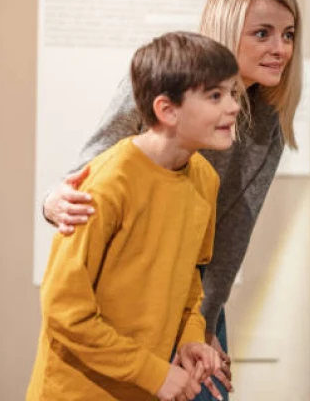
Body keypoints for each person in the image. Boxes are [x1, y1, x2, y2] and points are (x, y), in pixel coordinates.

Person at [41, 0, 302, 400]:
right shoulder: (165, 84)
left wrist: (202, 327)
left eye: (288, 35)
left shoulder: (266, 124)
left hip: (192, 302)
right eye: (263, 34)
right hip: (129, 300)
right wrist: (52, 200)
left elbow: (226, 243)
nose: (280, 49)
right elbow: (92, 170)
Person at [27, 31, 240, 400]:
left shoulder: (205, 179)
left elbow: (191, 279)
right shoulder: (106, 183)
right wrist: (153, 372)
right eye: (215, 96)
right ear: (167, 110)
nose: (234, 107)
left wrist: (190, 340)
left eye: (233, 93)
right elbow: (64, 309)